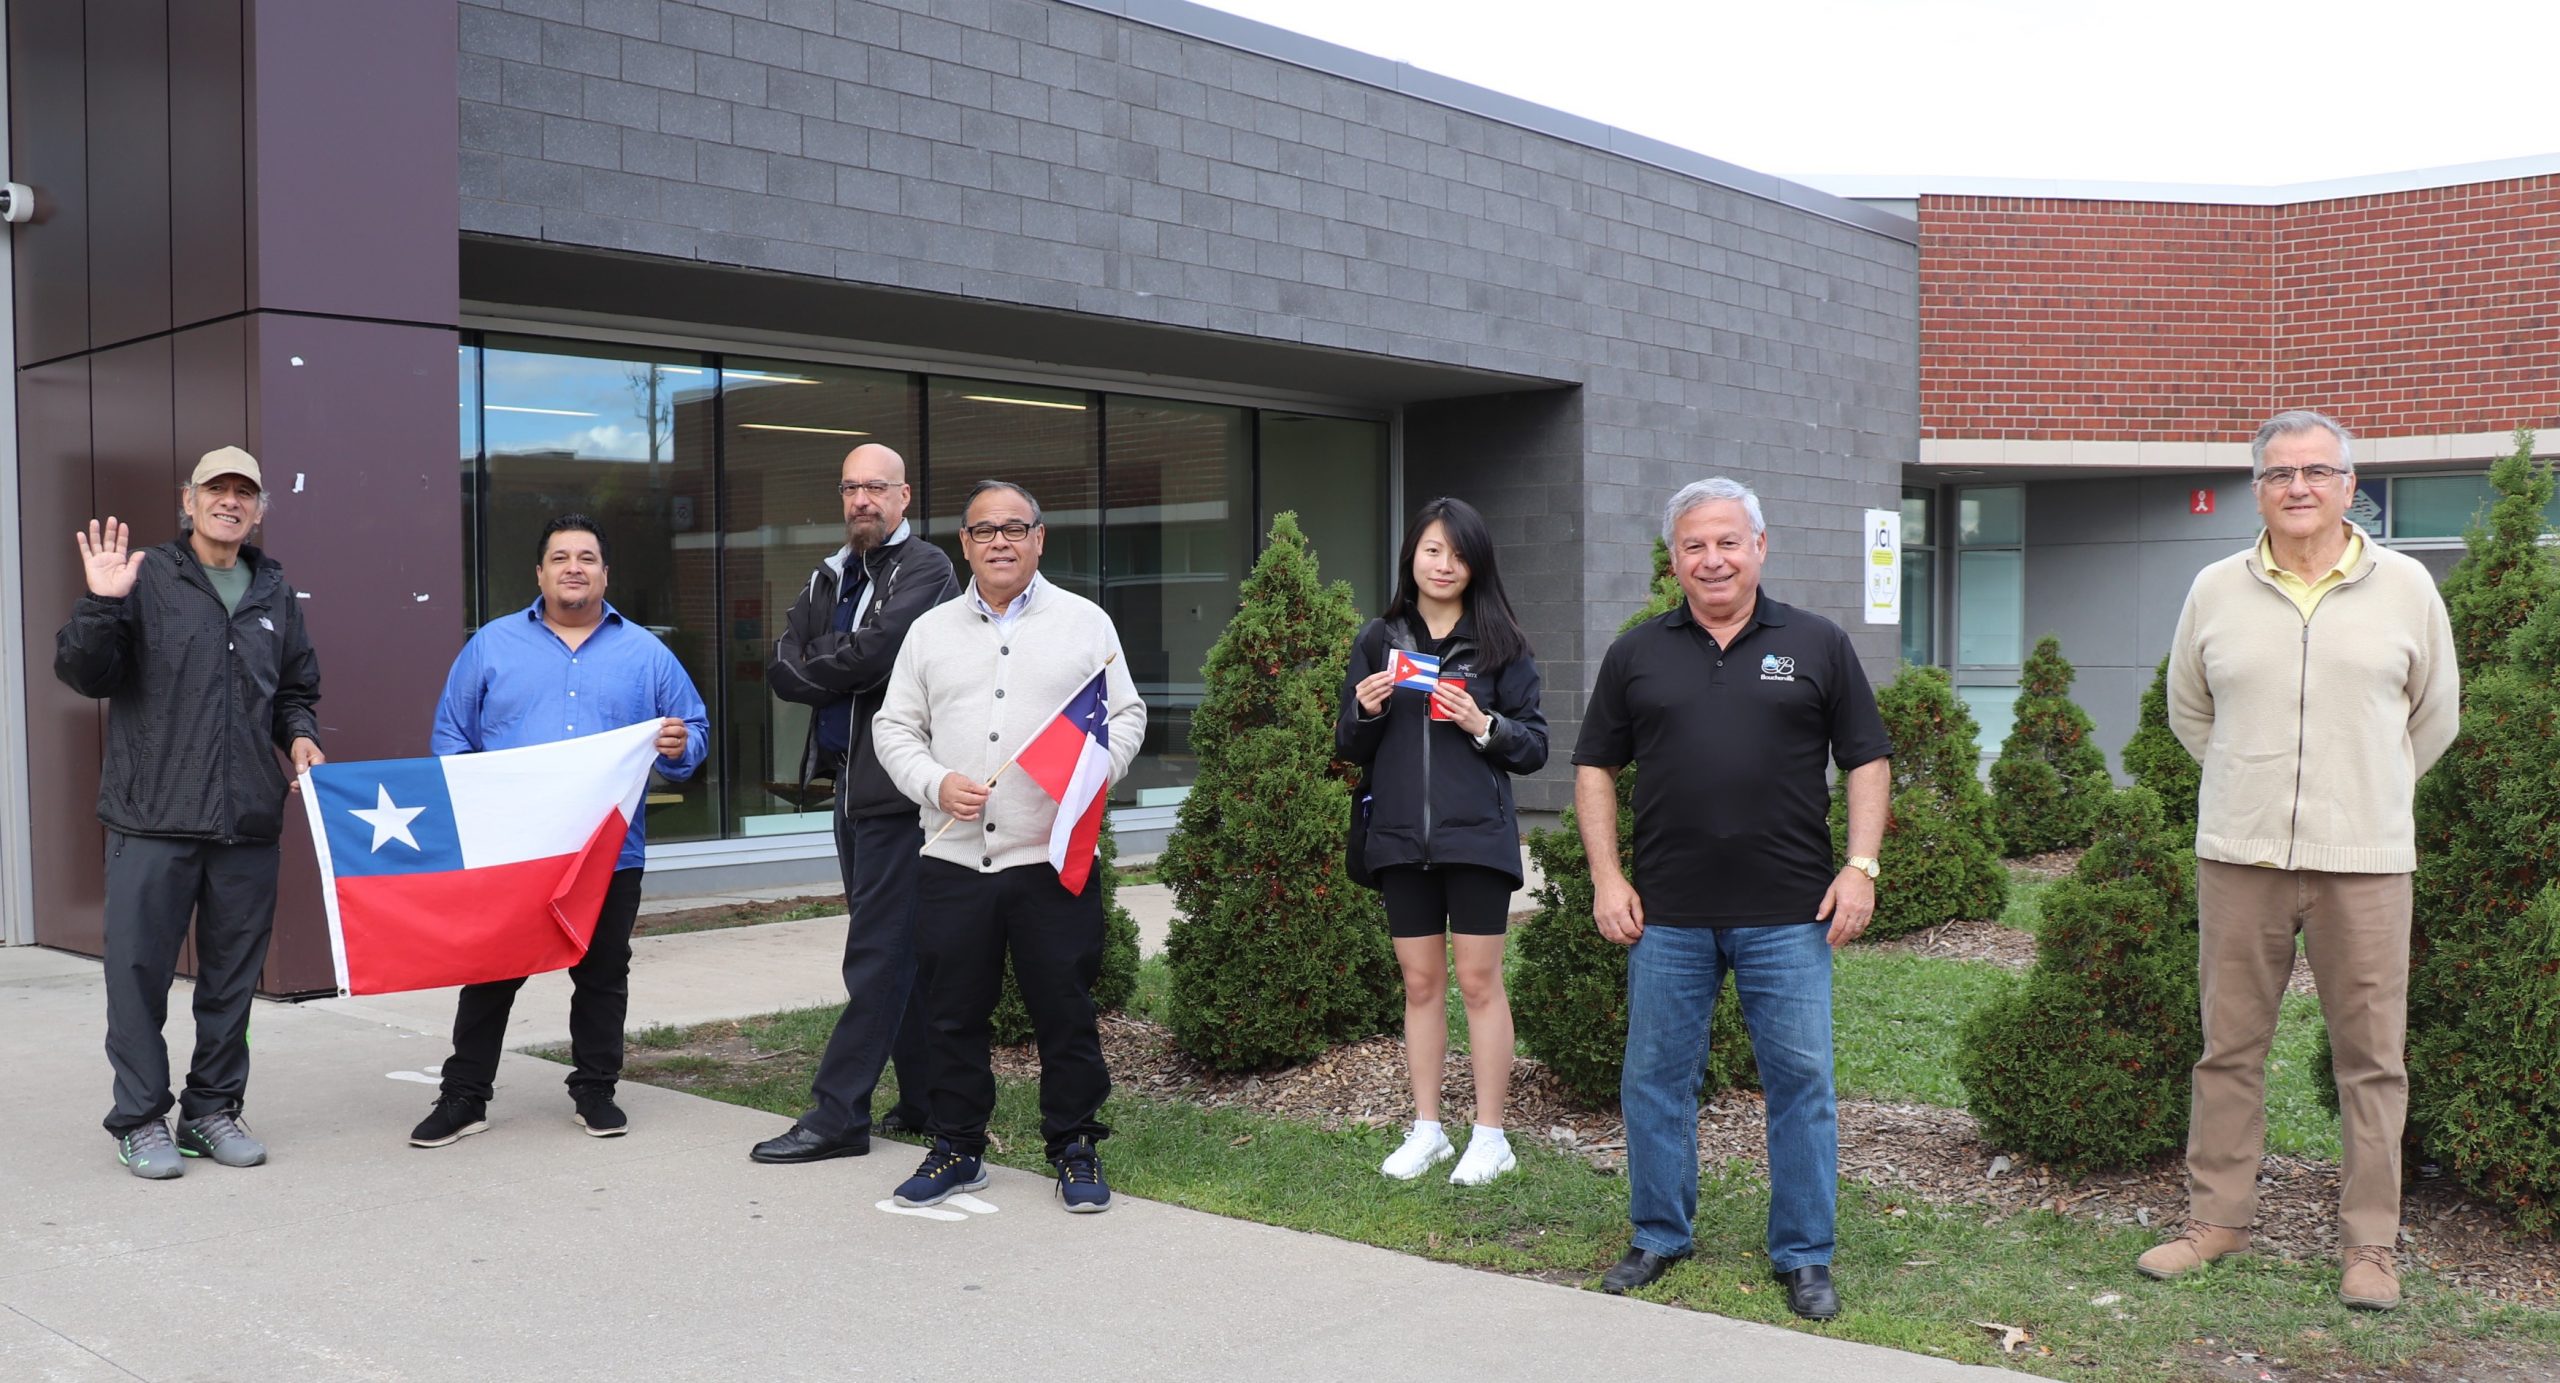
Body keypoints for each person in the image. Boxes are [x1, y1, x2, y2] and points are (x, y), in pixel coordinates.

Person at [2141, 410, 2458, 1311]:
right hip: (2241, 856)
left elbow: (2433, 717)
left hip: (2366, 861)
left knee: (2373, 1061)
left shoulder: (2406, 588)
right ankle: (2218, 1220)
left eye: (2319, 470)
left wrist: (2366, 789)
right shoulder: (2214, 587)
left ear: (2350, 485)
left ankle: (2370, 1245)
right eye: (2280, 473)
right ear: (2258, 489)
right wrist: (2252, 783)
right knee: (2229, 1048)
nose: (2299, 487)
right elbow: (2189, 711)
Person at [1575, 477, 1891, 1320]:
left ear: (1759, 546)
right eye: (1693, 545)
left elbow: (1866, 757)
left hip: (1790, 912)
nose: (1711, 558)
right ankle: (1658, 1233)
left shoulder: (1819, 643)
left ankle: (1805, 1254)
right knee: (1655, 1080)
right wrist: (1608, 876)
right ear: (1674, 558)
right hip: (1667, 914)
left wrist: (1860, 865)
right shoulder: (1638, 652)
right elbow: (1593, 767)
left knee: (1801, 1081)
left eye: (1726, 541)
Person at [869, 480, 1145, 1213]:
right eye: (984, 530)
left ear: (1039, 538)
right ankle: (958, 1146)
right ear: (964, 542)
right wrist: (934, 783)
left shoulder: (1086, 623)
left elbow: (1126, 715)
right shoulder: (929, 633)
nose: (1000, 541)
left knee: (1066, 1010)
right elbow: (893, 729)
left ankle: (1075, 1145)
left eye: (1014, 528)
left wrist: (1091, 778)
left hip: (1048, 861)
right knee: (952, 1014)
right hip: (954, 860)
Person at [56, 445, 325, 1179]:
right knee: (137, 976)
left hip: (246, 822)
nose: (229, 501)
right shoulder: (146, 578)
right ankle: (141, 1119)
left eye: (244, 491)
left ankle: (210, 1110)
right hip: (152, 816)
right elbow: (85, 673)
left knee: (232, 980)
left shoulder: (273, 589)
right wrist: (102, 601)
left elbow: (295, 691)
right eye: (216, 489)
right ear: (189, 499)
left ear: (260, 508)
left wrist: (301, 739)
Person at [407, 515, 708, 1148]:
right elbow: (451, 740)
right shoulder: (490, 646)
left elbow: (694, 734)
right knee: (490, 972)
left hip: (607, 853)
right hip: (514, 852)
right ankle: (464, 1097)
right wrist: (489, 800)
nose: (575, 567)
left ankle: (595, 1090)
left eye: (588, 558)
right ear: (539, 572)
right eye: (561, 557)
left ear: (605, 573)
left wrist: (680, 745)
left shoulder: (647, 654)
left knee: (603, 974)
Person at [750, 444, 959, 1165]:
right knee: (898, 950)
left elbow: (878, 653)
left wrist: (829, 660)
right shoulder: (828, 572)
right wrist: (834, 661)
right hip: (846, 785)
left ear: (904, 496)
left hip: (900, 791)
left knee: (876, 951)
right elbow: (781, 664)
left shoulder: (928, 567)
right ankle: (929, 1098)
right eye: (849, 487)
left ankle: (838, 1113)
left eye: (875, 486)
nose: (861, 499)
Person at [1337, 497, 1548, 1186]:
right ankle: (1427, 1128)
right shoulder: (1381, 638)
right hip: (1399, 836)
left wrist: (1482, 722)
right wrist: (1364, 711)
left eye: (1457, 554)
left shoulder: (1502, 645)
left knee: (1478, 982)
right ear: (1412, 557)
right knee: (1421, 983)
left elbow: (1534, 744)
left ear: (1475, 563)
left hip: (1476, 838)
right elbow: (1348, 743)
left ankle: (1491, 1135)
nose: (1443, 564)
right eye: (1432, 550)